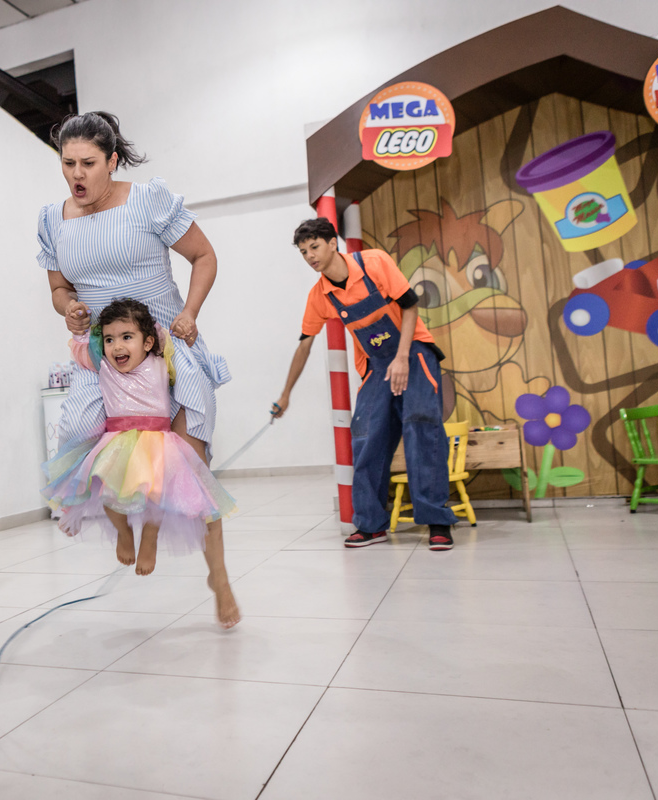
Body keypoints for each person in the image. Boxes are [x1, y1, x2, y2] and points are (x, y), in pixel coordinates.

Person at [37, 111, 240, 628]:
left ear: (113, 161)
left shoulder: (149, 200)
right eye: (67, 164)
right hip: (104, 355)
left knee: (190, 469)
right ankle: (127, 525)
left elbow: (204, 256)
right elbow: (59, 289)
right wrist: (69, 309)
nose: (76, 175)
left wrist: (189, 312)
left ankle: (219, 578)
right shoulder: (52, 219)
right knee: (80, 434)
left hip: (166, 343)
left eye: (88, 163)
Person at [273, 218, 458, 550]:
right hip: (375, 365)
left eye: (314, 247)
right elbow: (304, 345)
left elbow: (410, 306)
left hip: (413, 351)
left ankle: (437, 521)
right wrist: (285, 394)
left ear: (333, 243)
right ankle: (371, 524)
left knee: (420, 427)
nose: (310, 256)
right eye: (303, 252)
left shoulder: (373, 263)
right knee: (366, 436)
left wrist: (402, 357)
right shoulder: (320, 296)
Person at [43, 298, 237, 576]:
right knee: (107, 493)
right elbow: (81, 349)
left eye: (126, 337)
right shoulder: (104, 366)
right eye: (109, 339)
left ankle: (149, 536)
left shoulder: (159, 360)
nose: (117, 346)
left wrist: (177, 323)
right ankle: (123, 532)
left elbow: (167, 338)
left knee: (157, 497)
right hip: (117, 442)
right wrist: (79, 328)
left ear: (147, 343)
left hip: (157, 443)